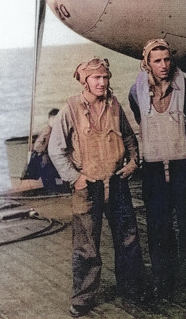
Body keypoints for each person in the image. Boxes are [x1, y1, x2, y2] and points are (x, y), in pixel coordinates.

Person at [48, 57, 144, 318]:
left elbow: (128, 136)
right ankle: (83, 298)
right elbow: (55, 149)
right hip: (87, 186)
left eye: (105, 77)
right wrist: (74, 177)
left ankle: (131, 287)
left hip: (116, 182)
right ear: (84, 81)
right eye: (96, 78)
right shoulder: (70, 108)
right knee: (86, 246)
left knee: (128, 238)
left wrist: (134, 161)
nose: (102, 82)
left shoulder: (113, 104)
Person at [129, 39, 186, 300]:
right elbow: (141, 119)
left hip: (183, 166)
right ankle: (164, 282)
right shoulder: (135, 91)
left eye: (167, 59)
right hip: (153, 169)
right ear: (147, 63)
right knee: (158, 227)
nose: (163, 65)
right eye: (157, 60)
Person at [23, 108, 64, 194]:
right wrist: (46, 150)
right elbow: (38, 146)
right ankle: (51, 189)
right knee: (46, 165)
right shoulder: (48, 130)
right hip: (43, 159)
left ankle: (54, 188)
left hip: (50, 156)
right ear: (51, 119)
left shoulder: (54, 130)